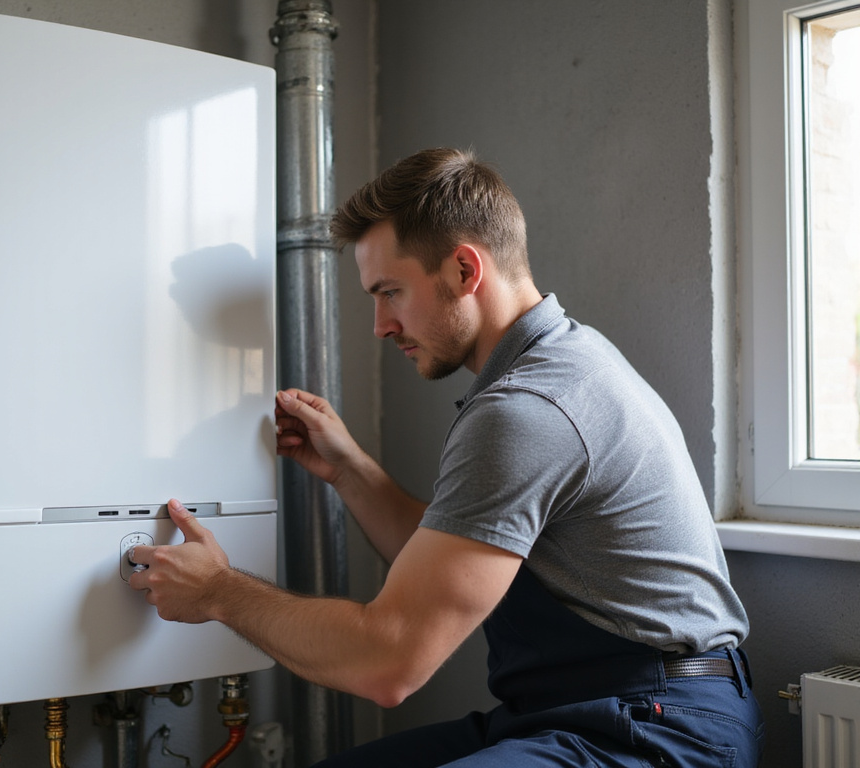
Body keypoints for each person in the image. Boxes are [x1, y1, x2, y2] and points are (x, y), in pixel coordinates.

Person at [128, 147, 765, 767]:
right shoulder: (566, 357)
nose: (380, 325)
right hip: (579, 710)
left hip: (659, 732)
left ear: (464, 269)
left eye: (390, 292)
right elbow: (450, 560)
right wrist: (349, 469)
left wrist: (217, 591)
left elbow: (390, 662)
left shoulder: (527, 410)